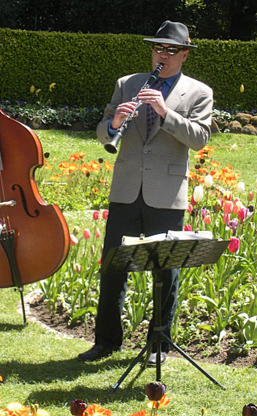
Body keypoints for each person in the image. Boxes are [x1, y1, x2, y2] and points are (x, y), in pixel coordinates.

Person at [78, 21, 213, 365]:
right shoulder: (127, 84)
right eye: (158, 49)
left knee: (165, 271)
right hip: (126, 189)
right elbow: (104, 132)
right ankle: (105, 342)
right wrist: (113, 124)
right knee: (113, 267)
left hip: (165, 193)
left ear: (184, 55)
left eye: (170, 50)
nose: (162, 56)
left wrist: (165, 113)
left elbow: (199, 139)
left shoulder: (199, 93)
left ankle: (159, 346)